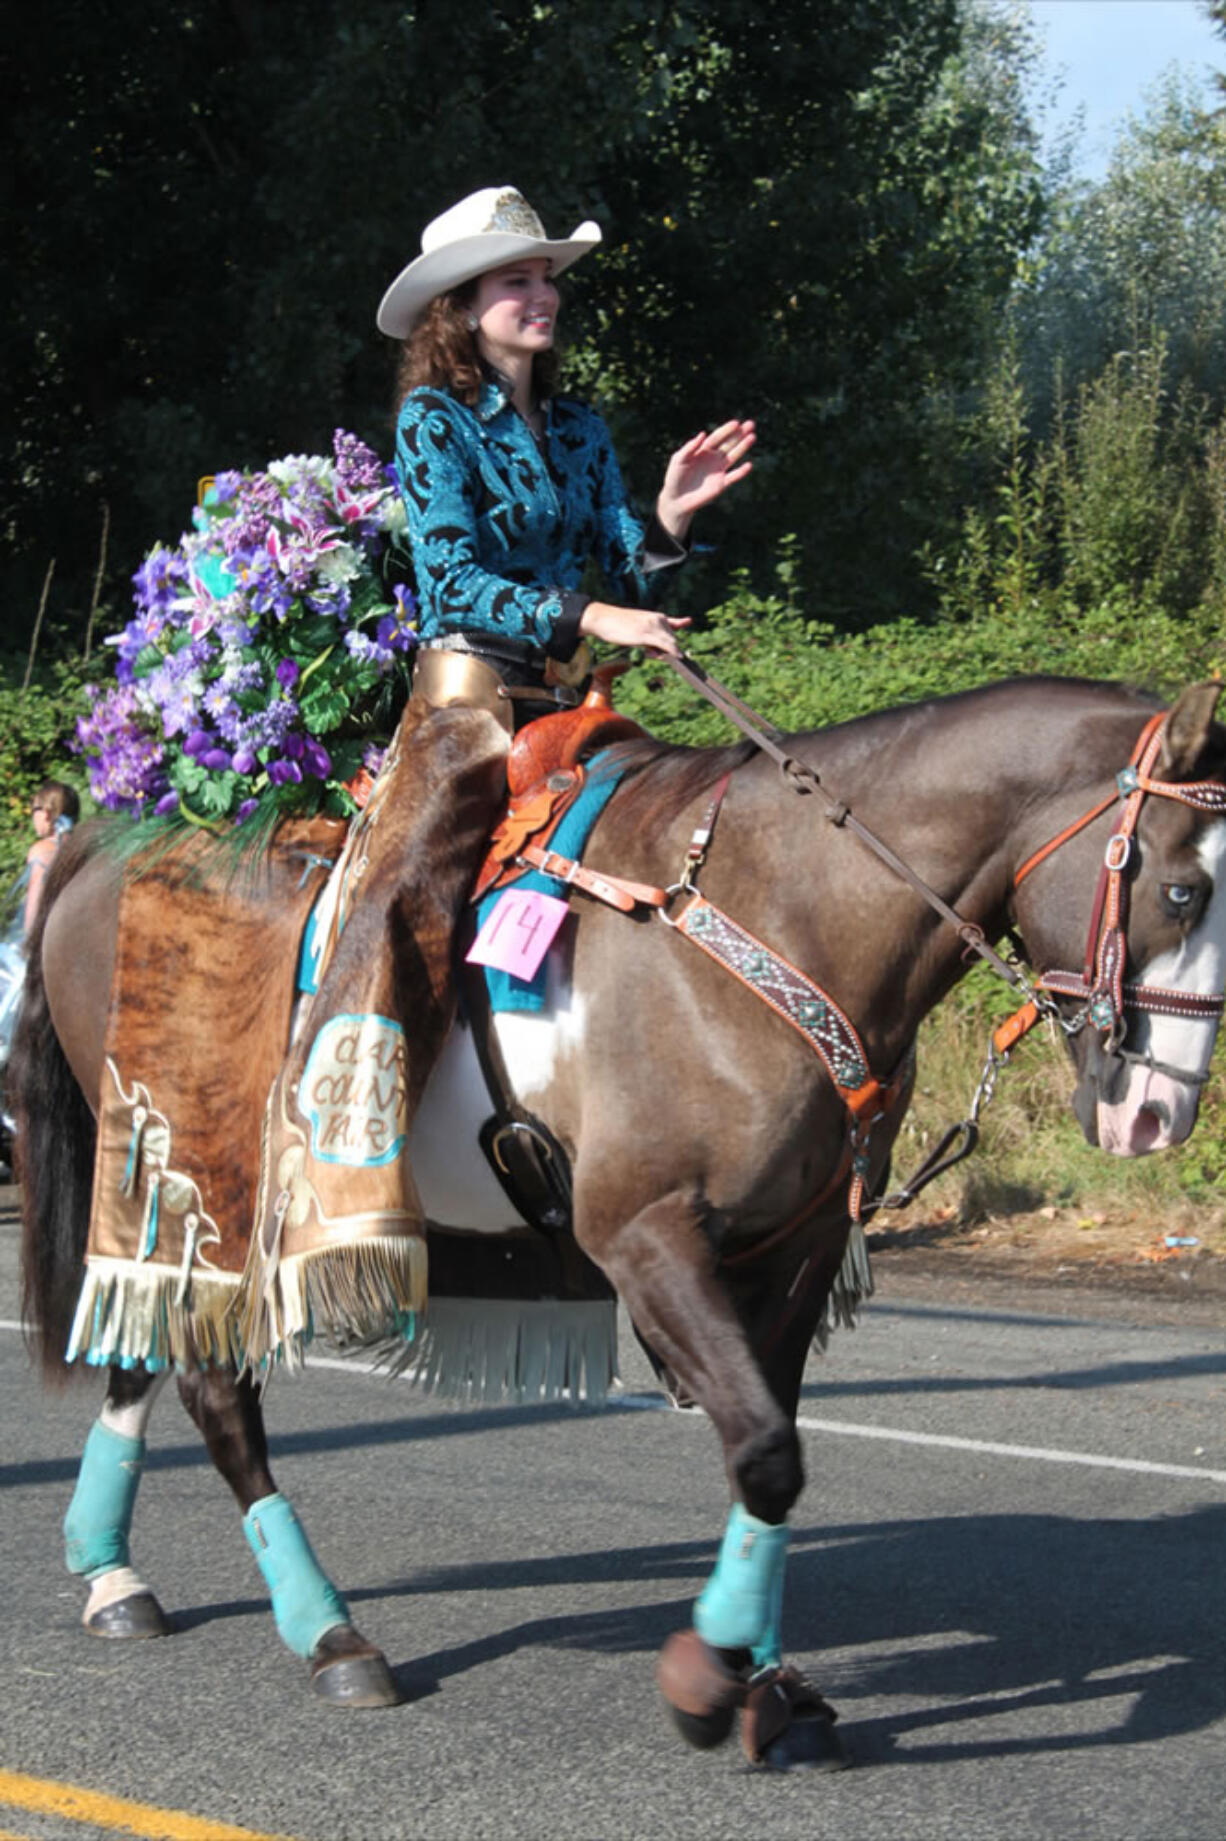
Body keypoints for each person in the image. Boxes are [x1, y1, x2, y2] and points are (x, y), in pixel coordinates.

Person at [253, 187, 754, 1326]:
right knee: (397, 902)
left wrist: (665, 524)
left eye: (546, 278)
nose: (540, 297)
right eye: (513, 281)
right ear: (460, 309)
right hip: (464, 711)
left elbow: (618, 579)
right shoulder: (435, 421)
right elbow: (452, 582)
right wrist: (587, 615)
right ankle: (345, 1161)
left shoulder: (578, 430)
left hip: (572, 717)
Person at [23, 780, 79, 937]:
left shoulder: (42, 851)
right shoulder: (83, 848)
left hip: (49, 943)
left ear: (46, 813)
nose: (33, 816)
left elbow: (33, 912)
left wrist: (27, 944)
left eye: (34, 809)